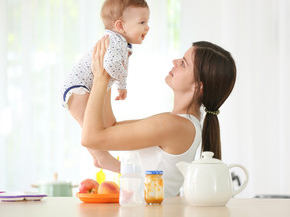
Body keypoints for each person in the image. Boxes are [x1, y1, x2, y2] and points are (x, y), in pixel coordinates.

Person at [81, 36, 237, 197]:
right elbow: (109, 127)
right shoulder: (180, 123)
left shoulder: (176, 125)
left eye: (183, 63)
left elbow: (91, 138)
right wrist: (110, 75)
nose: (175, 61)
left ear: (197, 86)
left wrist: (101, 77)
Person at [60, 0, 150, 169]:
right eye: (142, 22)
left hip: (87, 86)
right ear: (120, 25)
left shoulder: (122, 42)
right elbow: (111, 64)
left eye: (147, 22)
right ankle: (102, 159)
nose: (147, 27)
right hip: (78, 89)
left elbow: (120, 65)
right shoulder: (115, 41)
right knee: (92, 132)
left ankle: (99, 157)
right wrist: (122, 82)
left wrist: (122, 84)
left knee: (108, 126)